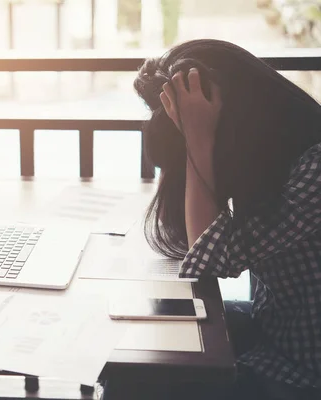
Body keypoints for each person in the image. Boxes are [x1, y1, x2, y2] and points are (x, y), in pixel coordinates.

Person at [103, 39, 321, 399]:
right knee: (134, 347)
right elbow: (189, 245)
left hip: (300, 374)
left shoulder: (315, 169)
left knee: (135, 382)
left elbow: (207, 258)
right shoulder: (277, 158)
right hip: (272, 333)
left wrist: (198, 138)